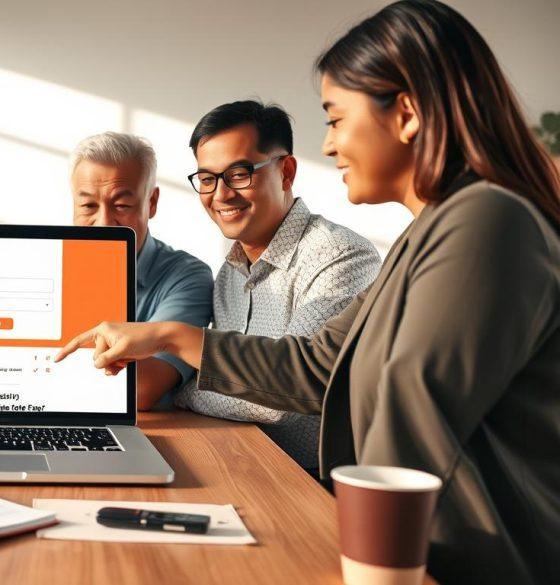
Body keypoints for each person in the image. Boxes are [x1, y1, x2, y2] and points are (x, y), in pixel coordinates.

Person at [55, 2, 560, 582]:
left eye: (337, 117)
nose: (330, 144)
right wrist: (171, 336)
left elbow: (409, 429)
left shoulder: (487, 222)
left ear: (407, 114)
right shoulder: (432, 234)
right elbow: (322, 366)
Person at [175, 100, 380, 471]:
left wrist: (184, 392)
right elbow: (234, 388)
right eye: (207, 179)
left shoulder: (342, 256)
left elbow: (278, 399)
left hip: (316, 489)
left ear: (286, 171)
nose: (220, 194)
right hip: (243, 465)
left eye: (239, 174)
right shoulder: (229, 274)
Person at [70, 132, 213, 410]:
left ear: (152, 203)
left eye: (122, 205)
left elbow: (141, 390)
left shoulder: (187, 277)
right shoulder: (42, 267)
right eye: (88, 206)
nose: (103, 224)